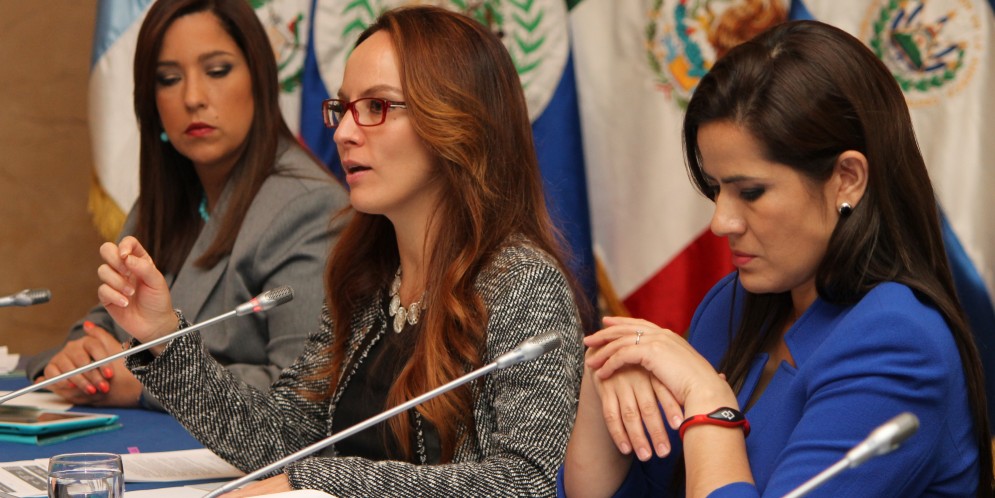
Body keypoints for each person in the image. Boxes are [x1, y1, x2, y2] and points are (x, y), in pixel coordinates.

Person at [95, 5, 587, 497]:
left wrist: (322, 479)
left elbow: (521, 483)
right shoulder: (367, 277)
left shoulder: (524, 283)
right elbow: (284, 441)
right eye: (344, 108)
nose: (344, 133)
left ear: (459, 122)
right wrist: (164, 338)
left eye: (376, 107)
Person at [561, 20, 993, 498]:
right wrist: (603, 379)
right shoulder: (731, 304)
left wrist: (708, 403)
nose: (721, 222)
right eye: (716, 188)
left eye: (750, 192)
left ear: (847, 179)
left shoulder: (897, 341)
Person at [26, 0, 348, 410]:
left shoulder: (310, 207)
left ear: (259, 78)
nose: (193, 97)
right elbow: (107, 321)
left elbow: (304, 391)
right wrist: (80, 357)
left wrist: (145, 385)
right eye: (169, 79)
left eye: (217, 71)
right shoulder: (165, 199)